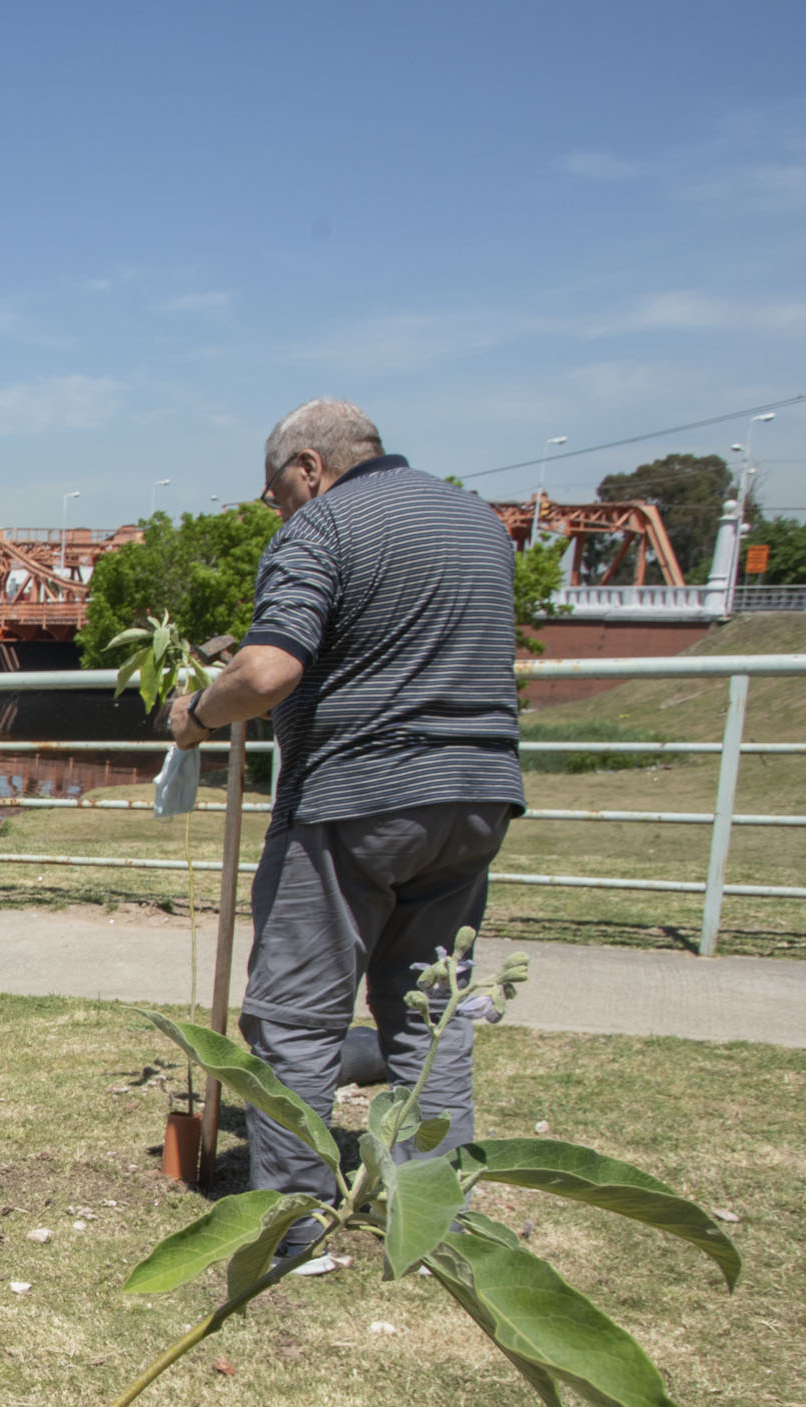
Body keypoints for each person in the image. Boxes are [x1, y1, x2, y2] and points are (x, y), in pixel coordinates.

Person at [167, 399, 522, 1262]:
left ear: (309, 468)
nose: (275, 508)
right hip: (477, 797)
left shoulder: (321, 526)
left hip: (356, 802)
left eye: (273, 491)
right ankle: (435, 1220)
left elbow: (269, 668)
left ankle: (293, 1228)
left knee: (293, 1016)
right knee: (427, 1011)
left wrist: (197, 718)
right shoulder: (476, 520)